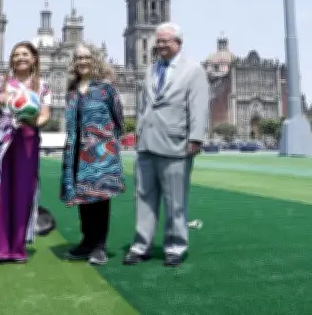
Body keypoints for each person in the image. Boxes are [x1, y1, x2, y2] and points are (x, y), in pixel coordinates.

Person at [123, 22, 209, 267]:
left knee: (175, 199)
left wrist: (195, 138)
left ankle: (175, 246)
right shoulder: (152, 69)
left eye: (165, 41)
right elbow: (143, 104)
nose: (159, 45)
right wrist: (139, 130)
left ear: (178, 43)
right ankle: (141, 246)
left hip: (176, 144)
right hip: (147, 144)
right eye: (158, 41)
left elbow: (199, 107)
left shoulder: (193, 70)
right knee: (143, 197)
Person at [0, 41, 52, 270]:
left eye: (25, 54)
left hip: (26, 143)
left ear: (34, 59)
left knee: (21, 194)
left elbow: (44, 115)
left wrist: (33, 119)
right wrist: (0, 99)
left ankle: (16, 248)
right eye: (16, 55)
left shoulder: (42, 86)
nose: (20, 58)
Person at [59, 43, 125, 266]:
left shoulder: (106, 88)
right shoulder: (73, 90)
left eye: (86, 57)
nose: (82, 62)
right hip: (76, 151)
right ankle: (87, 241)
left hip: (100, 152)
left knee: (99, 198)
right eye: (78, 58)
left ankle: (99, 246)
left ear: (94, 59)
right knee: (83, 197)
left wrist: (105, 143)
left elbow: (119, 119)